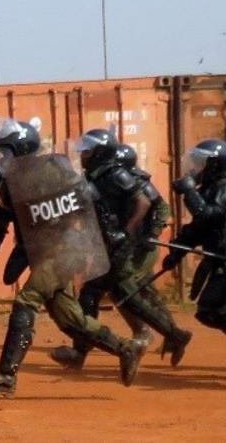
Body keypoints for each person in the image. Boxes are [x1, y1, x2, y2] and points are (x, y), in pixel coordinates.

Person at [0, 120, 144, 397]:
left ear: (21, 150)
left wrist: (110, 234)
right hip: (42, 255)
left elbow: (90, 200)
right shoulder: (10, 186)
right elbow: (0, 218)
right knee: (70, 319)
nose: (1, 158)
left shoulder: (55, 170)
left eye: (6, 152)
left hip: (67, 249)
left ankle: (6, 376)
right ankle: (126, 349)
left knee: (27, 300)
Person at [50, 133, 191, 369]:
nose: (83, 156)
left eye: (87, 151)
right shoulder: (96, 175)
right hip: (108, 244)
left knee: (107, 294)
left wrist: (128, 231)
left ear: (100, 153)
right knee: (113, 294)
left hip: (122, 245)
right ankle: (174, 335)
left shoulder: (116, 174)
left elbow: (145, 202)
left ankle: (80, 353)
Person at [164, 139, 226, 334]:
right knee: (210, 310)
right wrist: (177, 251)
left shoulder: (224, 189)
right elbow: (200, 228)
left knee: (214, 309)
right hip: (219, 260)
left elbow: (208, 214)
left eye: (200, 163)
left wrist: (189, 191)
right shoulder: (208, 190)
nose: (195, 168)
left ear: (214, 165)